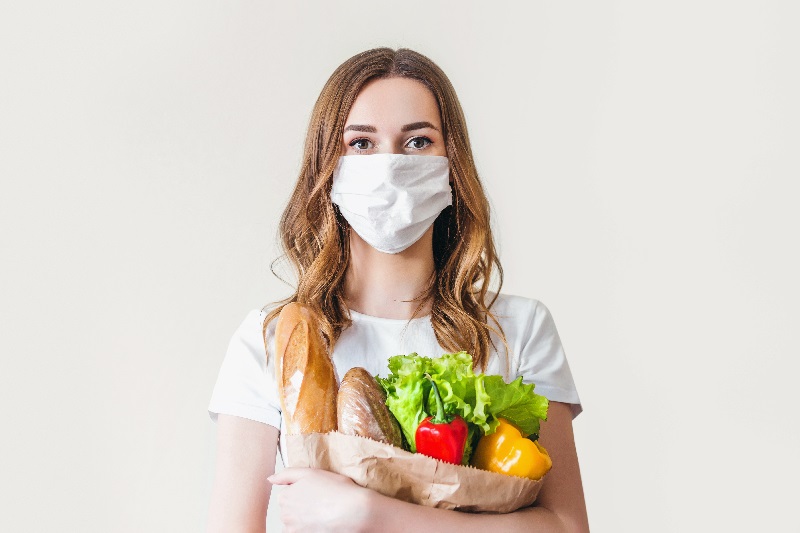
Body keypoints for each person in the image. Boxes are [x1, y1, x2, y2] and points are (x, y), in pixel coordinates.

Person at [207, 47, 589, 532]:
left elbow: (566, 526)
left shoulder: (519, 329)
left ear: (452, 162)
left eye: (417, 142)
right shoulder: (268, 340)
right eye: (362, 144)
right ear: (327, 166)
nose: (389, 165)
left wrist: (375, 515)